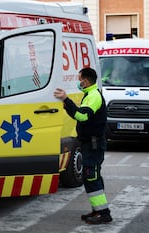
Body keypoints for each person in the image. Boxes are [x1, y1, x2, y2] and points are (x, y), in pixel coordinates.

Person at [53, 67, 112, 224]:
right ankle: (97, 210)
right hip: (90, 143)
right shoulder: (89, 94)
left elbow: (82, 115)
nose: (79, 82)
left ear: (85, 81)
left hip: (93, 144)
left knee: (91, 176)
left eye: (80, 80)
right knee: (92, 176)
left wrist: (66, 100)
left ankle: (103, 213)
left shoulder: (93, 96)